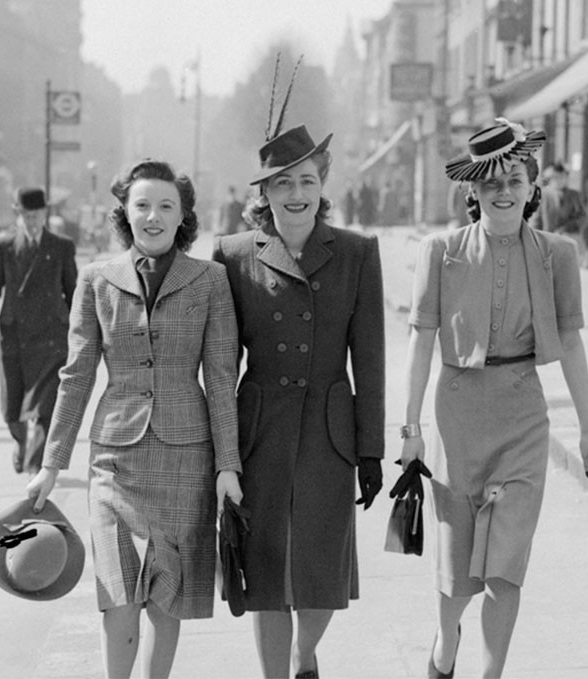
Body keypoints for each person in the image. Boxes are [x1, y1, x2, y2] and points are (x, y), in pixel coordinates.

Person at [401, 119, 588, 679]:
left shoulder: (557, 255)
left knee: (506, 567)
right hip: (457, 417)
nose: (503, 191)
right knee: (456, 572)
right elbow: (421, 341)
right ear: (472, 191)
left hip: (522, 416)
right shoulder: (441, 251)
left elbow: (571, 343)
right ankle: (445, 645)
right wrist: (410, 429)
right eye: (490, 182)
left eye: (514, 179)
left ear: (532, 187)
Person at [26, 160, 242, 679]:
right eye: (142, 205)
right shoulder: (95, 280)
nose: (153, 216)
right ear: (124, 212)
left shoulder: (211, 280)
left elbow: (221, 377)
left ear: (183, 216)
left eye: (166, 206)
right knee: (117, 593)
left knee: (168, 597)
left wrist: (227, 466)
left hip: (186, 458)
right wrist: (51, 465)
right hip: (114, 463)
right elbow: (76, 376)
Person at [212, 123, 385, 679]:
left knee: (320, 569)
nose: (296, 194)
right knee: (265, 573)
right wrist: (224, 455)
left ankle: (303, 655)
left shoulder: (357, 252)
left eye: (307, 181)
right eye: (283, 183)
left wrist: (371, 448)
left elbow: (371, 359)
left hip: (329, 433)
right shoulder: (233, 255)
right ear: (264, 192)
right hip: (260, 430)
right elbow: (221, 365)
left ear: (322, 186)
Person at [0, 186, 77, 476]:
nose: (32, 222)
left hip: (51, 338)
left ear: (45, 213)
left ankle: (34, 470)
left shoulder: (61, 246)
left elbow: (74, 293)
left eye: (36, 215)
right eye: (26, 216)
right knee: (12, 409)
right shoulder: (4, 246)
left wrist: (83, 331)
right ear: (17, 215)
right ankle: (20, 443)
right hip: (14, 336)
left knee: (44, 408)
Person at [530, 161, 587, 245]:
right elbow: (536, 219)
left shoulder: (574, 195)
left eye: (562, 178)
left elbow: (582, 217)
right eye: (556, 178)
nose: (559, 181)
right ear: (551, 179)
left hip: (567, 239)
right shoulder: (543, 195)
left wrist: (566, 228)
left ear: (566, 178)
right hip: (547, 240)